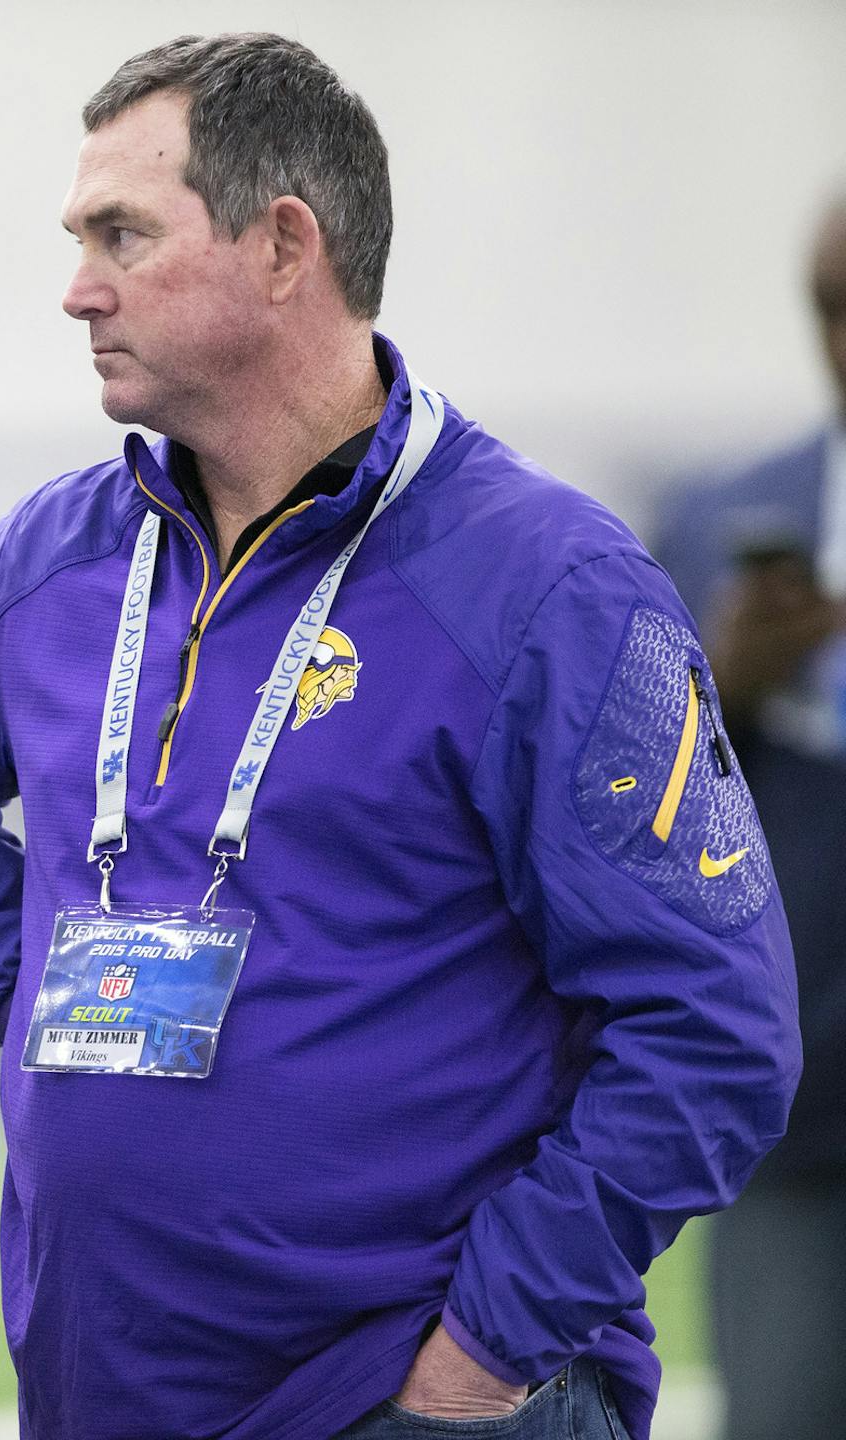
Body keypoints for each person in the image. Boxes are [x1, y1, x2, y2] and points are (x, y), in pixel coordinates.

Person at [0, 33, 798, 1440]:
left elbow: (716, 1025)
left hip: (411, 1403)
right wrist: (33, 993)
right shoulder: (58, 555)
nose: (76, 286)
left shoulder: (545, 584)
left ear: (284, 247)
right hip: (109, 1394)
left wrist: (482, 1353)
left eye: (123, 234)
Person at [650, 194, 846, 1440]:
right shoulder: (719, 523)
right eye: (833, 308)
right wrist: (724, 687)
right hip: (799, 1111)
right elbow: (617, 809)